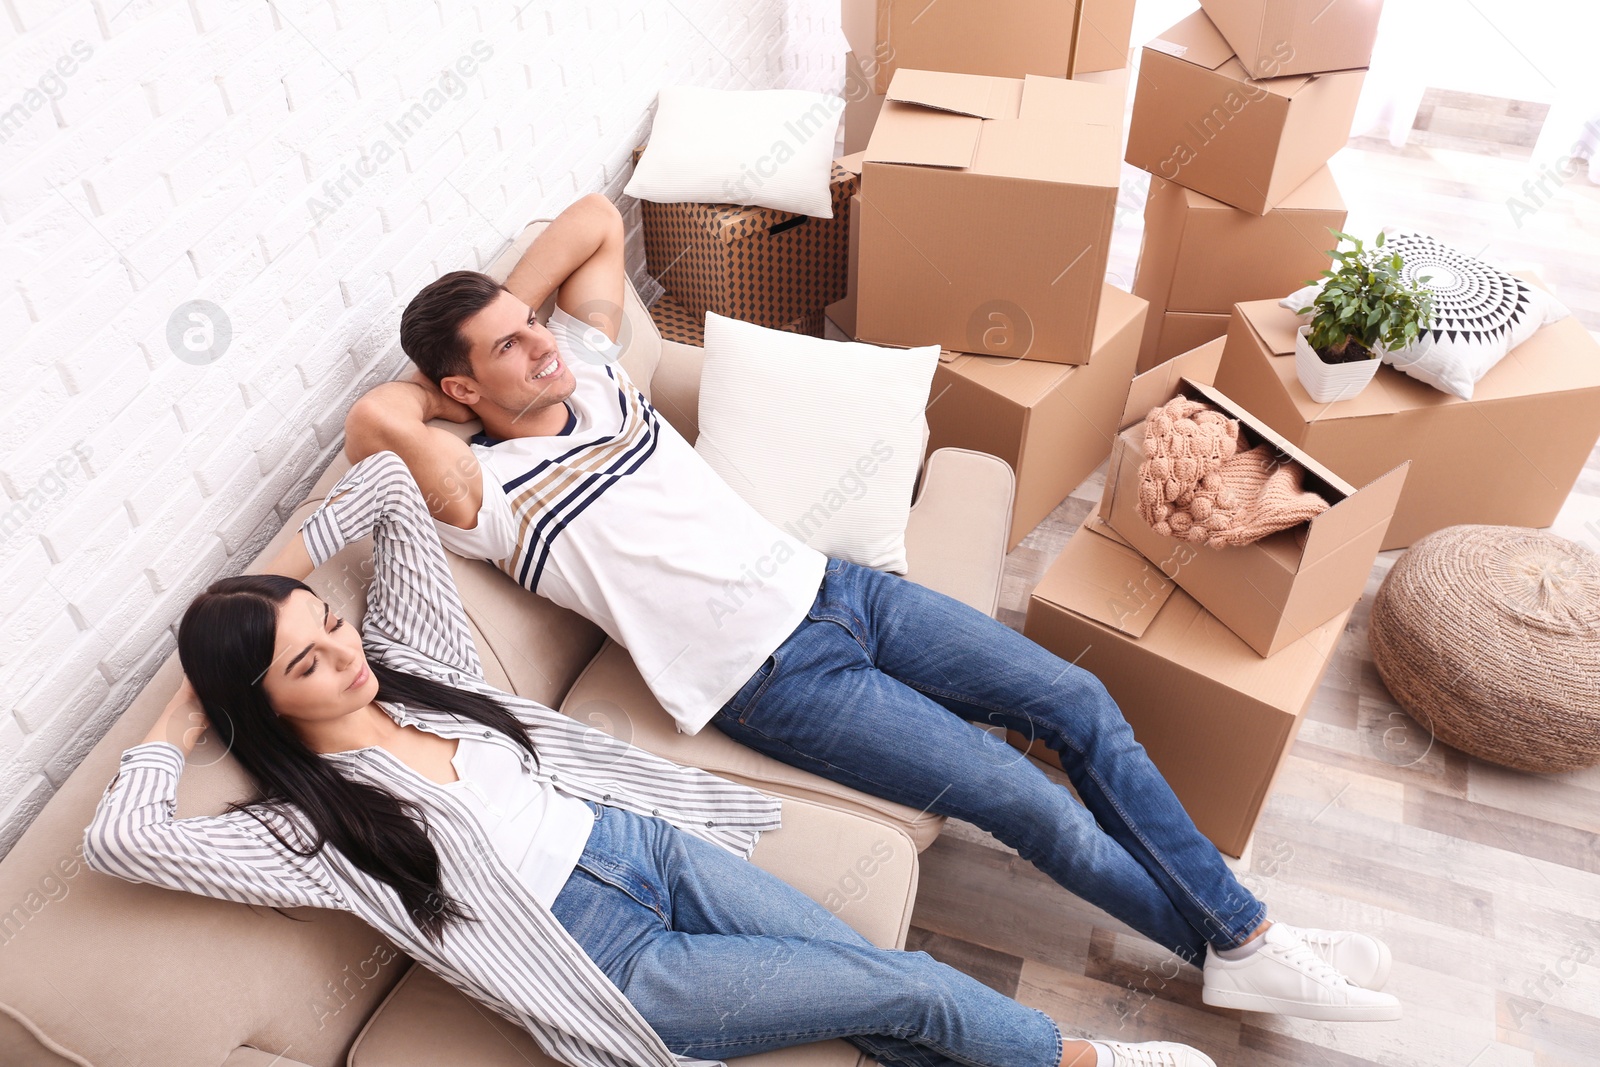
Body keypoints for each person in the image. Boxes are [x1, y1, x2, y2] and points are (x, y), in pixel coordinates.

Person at [346, 193, 1403, 1023]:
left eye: (534, 324)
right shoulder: (487, 496)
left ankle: (1244, 938)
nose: (542, 345)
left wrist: (512, 326)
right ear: (459, 394)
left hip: (843, 589)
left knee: (1076, 700)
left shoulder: (600, 378)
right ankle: (1235, 942)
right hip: (776, 682)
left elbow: (581, 218)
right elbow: (372, 414)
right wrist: (446, 386)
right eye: (507, 348)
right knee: (1017, 798)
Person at [84, 449, 1218, 1067]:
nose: (343, 655)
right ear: (264, 708)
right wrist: (182, 715)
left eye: (327, 629)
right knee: (904, 979)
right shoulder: (306, 829)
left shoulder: (412, 661)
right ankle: (1076, 1061)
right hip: (611, 961)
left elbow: (384, 479)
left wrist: (273, 581)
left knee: (882, 1007)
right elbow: (121, 835)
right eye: (305, 666)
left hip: (650, 848)